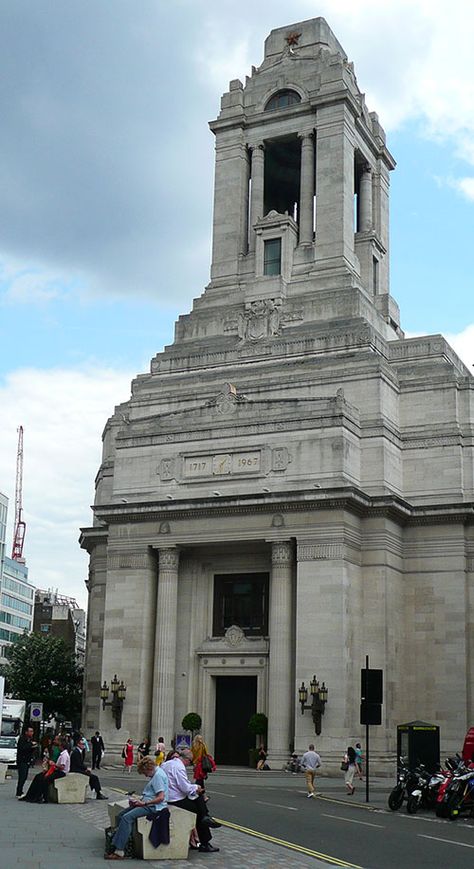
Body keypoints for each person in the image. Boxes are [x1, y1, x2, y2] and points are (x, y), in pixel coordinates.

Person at [105, 755, 169, 860]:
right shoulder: (156, 774)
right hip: (147, 803)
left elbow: (161, 798)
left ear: (148, 769)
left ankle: (119, 850)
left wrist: (143, 803)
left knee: (127, 818)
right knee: (120, 815)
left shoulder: (158, 776)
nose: (145, 775)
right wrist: (138, 801)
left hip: (154, 807)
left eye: (145, 773)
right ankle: (122, 842)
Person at [161, 749, 221, 853]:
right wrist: (196, 788)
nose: (189, 764)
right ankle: (205, 841)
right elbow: (184, 787)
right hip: (175, 799)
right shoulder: (179, 767)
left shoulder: (166, 764)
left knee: (198, 800)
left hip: (167, 797)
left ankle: (205, 819)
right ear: (187, 759)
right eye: (190, 762)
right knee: (198, 811)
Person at [16, 725, 38, 799]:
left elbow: (29, 749)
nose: (32, 733)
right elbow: (23, 748)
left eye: (32, 731)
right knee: (22, 776)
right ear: (26, 732)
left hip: (27, 760)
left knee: (24, 777)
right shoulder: (22, 739)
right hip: (22, 760)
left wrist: (33, 748)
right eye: (30, 731)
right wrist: (31, 745)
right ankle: (19, 792)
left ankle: (20, 791)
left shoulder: (30, 739)